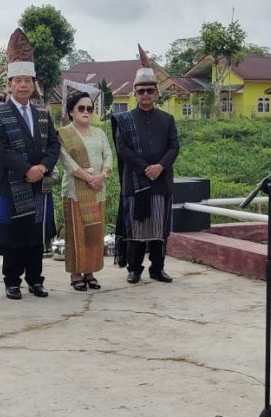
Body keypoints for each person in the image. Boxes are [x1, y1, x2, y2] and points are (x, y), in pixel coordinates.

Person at [0, 29, 59, 300]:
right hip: (11, 184)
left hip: (41, 183)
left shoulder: (42, 113)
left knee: (37, 233)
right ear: (9, 84)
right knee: (13, 234)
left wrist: (44, 167)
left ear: (34, 84)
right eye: (18, 80)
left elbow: (54, 145)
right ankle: (12, 281)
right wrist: (28, 169)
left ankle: (36, 280)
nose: (23, 85)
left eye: (28, 80)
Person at [112, 45, 179, 284]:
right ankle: (134, 269)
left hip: (161, 182)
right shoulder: (124, 120)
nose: (146, 95)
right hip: (136, 181)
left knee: (160, 229)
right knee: (136, 229)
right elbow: (123, 149)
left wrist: (159, 167)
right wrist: (144, 168)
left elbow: (174, 147)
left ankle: (157, 268)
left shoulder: (167, 119)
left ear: (157, 92)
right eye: (141, 91)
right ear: (134, 93)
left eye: (150, 91)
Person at [59, 92, 113, 290]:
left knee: (94, 233)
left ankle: (90, 272)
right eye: (81, 108)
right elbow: (67, 162)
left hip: (98, 190)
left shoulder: (99, 133)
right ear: (71, 112)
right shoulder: (64, 134)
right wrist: (89, 177)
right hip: (75, 190)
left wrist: (102, 175)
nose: (86, 112)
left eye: (89, 108)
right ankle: (76, 274)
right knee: (76, 233)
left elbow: (108, 157)